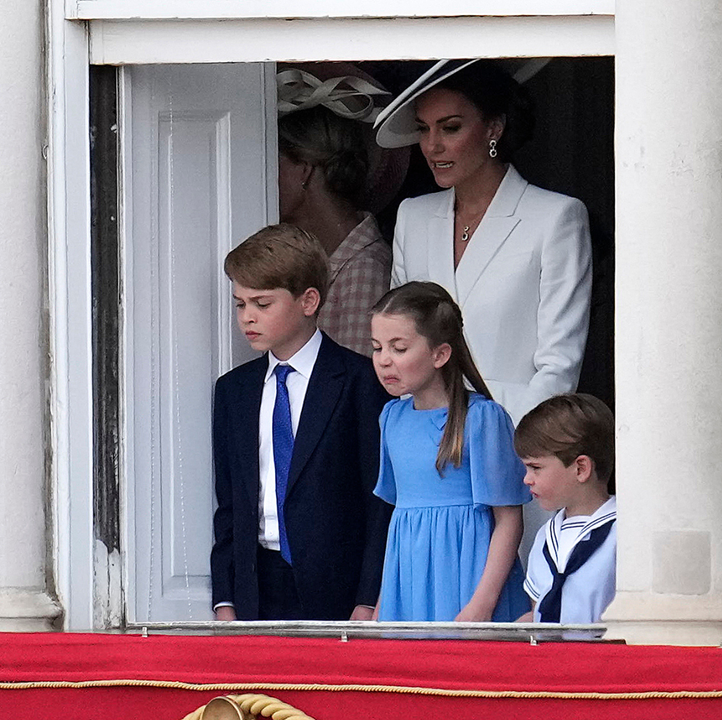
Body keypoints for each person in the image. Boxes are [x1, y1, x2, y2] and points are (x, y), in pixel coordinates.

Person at [374, 59, 593, 424]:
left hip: (515, 436)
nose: (432, 146)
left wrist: (505, 440)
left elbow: (558, 367)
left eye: (451, 128)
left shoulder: (555, 217)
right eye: (423, 129)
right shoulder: (413, 217)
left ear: (494, 127)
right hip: (424, 434)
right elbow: (397, 336)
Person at [210, 223, 392, 621]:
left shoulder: (360, 382)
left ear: (308, 301)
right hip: (257, 585)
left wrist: (369, 595)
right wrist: (225, 597)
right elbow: (231, 503)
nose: (247, 318)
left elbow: (378, 500)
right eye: (240, 304)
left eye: (262, 304)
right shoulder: (233, 392)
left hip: (338, 587)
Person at [370, 281, 532, 622]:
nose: (384, 361)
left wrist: (482, 603)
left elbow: (509, 519)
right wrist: (384, 604)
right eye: (377, 347)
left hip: (468, 579)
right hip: (410, 584)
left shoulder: (482, 418)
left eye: (398, 348)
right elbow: (399, 522)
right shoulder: (391, 418)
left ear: (440, 354)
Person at [277, 66, 401, 355]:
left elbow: (356, 386)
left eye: (275, 163)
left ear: (304, 170)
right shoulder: (325, 260)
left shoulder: (364, 271)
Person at [513, 394, 617, 624]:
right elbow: (537, 608)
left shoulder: (622, 534)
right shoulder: (545, 538)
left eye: (535, 467)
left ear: (581, 468)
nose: (527, 479)